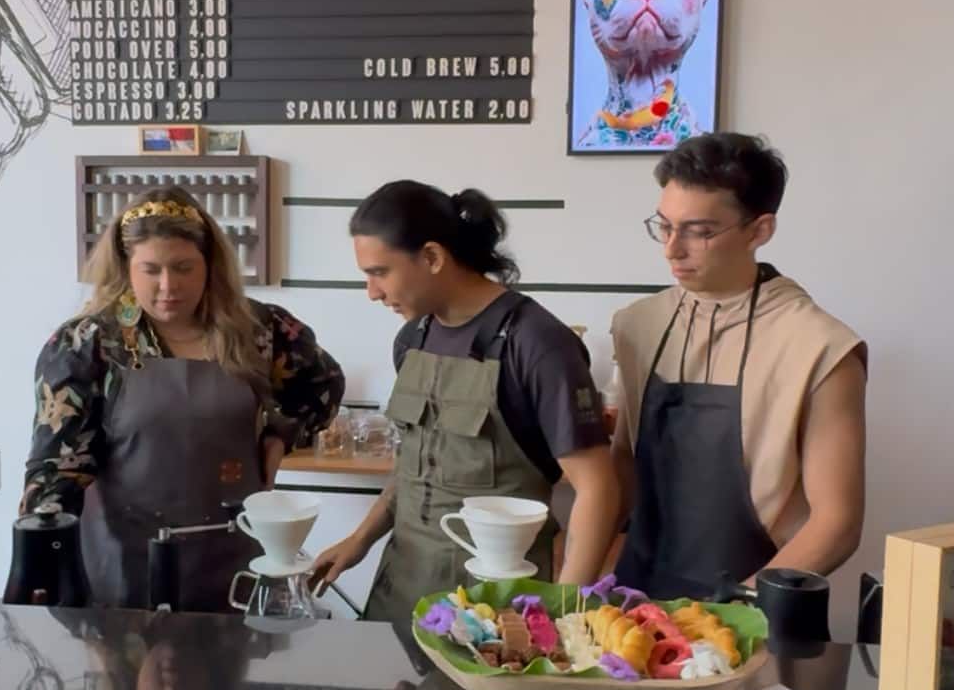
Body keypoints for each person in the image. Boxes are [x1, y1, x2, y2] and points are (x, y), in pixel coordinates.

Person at [21, 186, 344, 610]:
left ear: (210, 265)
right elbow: (57, 468)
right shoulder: (88, 345)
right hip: (122, 561)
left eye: (183, 267)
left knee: (228, 673)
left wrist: (280, 435)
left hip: (233, 555)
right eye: (150, 270)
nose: (167, 286)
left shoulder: (260, 331)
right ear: (125, 268)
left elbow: (323, 388)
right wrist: (44, 566)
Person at [311, 181, 620, 624]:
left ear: (433, 257)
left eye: (380, 272)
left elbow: (597, 487)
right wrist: (360, 540)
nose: (372, 292)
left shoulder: (537, 343)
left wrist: (567, 611)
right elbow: (416, 464)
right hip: (400, 589)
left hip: (496, 606)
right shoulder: (412, 339)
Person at [610, 132, 867, 599]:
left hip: (753, 611)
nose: (672, 249)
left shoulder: (819, 347)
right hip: (636, 595)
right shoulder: (637, 326)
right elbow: (623, 467)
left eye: (700, 231)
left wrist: (731, 611)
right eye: (664, 226)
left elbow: (837, 522)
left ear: (760, 230)